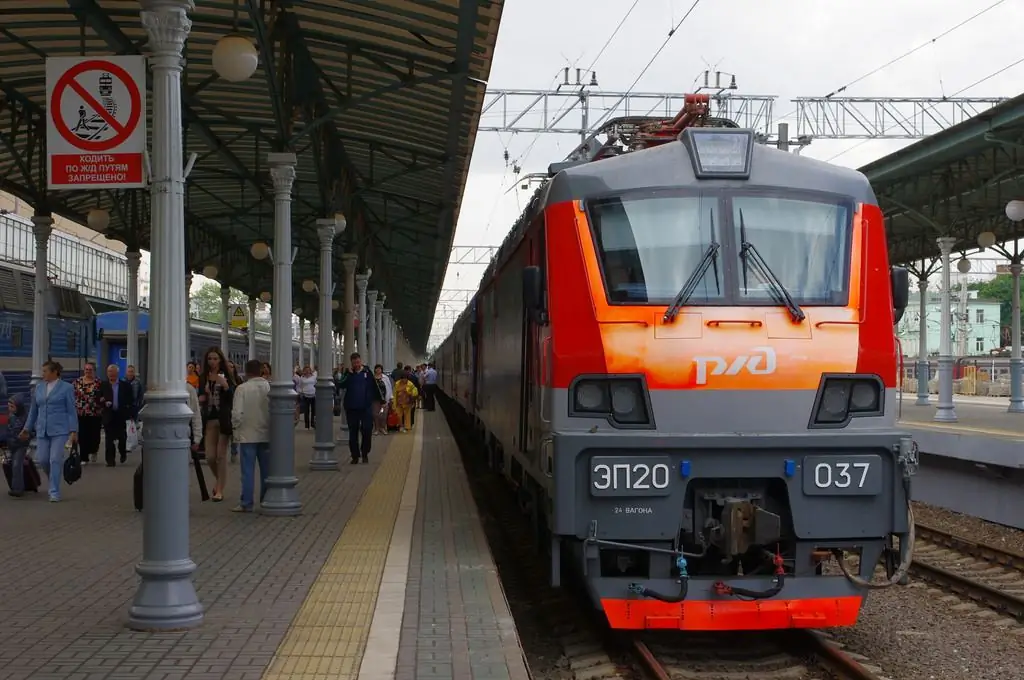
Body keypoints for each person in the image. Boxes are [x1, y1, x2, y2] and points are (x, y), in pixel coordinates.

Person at [21, 361, 78, 502]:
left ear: (54, 372)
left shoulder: (67, 388)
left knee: (54, 460)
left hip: (60, 429)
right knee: (43, 459)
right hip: (42, 429)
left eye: (45, 371)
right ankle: (54, 477)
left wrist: (74, 430)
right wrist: (27, 428)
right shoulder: (38, 388)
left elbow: (71, 411)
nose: (42, 374)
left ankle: (54, 491)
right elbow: (33, 411)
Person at [231, 359, 270, 512]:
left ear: (246, 372)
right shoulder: (269, 387)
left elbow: (237, 413)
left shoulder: (242, 389)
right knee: (266, 470)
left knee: (247, 471)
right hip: (266, 434)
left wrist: (235, 430)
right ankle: (266, 499)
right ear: (261, 370)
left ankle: (247, 502)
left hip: (247, 435)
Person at [198, 346, 236, 502]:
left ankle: (219, 489)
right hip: (210, 419)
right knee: (210, 457)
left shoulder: (227, 375)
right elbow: (200, 395)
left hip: (224, 419)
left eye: (215, 358)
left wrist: (226, 386)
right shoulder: (203, 377)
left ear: (220, 360)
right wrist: (203, 395)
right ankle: (220, 480)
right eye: (210, 359)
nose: (212, 362)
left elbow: (234, 396)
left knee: (221, 456)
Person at [338, 352, 374, 464]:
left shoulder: (367, 372)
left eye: (358, 362)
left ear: (360, 361)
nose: (356, 365)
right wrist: (346, 374)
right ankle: (354, 455)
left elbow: (374, 386)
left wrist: (380, 401)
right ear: (351, 363)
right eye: (354, 363)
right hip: (352, 408)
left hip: (366, 407)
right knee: (353, 432)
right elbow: (340, 384)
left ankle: (365, 453)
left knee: (367, 430)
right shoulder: (348, 374)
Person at [100, 364, 135, 466]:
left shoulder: (125, 386)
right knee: (109, 439)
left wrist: (130, 413)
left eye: (113, 372)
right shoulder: (104, 385)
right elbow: (98, 398)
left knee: (122, 438)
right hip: (109, 415)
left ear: (117, 373)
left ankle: (123, 453)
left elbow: (130, 400)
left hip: (121, 415)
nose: (111, 374)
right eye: (109, 372)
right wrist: (103, 402)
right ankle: (110, 460)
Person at [72, 362, 103, 464]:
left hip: (95, 413)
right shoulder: (77, 382)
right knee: (82, 435)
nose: (88, 371)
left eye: (90, 369)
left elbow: (103, 395)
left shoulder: (99, 383)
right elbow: (72, 395)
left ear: (94, 370)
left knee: (94, 436)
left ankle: (94, 450)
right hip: (81, 412)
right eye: (86, 369)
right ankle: (84, 457)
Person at [5, 393, 30, 498]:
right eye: (9, 406)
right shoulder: (11, 417)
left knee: (16, 465)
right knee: (14, 465)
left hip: (21, 445)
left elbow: (31, 431)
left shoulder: (25, 417)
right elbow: (8, 430)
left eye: (12, 406)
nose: (10, 409)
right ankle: (17, 486)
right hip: (12, 445)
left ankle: (18, 489)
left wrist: (27, 436)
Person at [372, 364, 392, 435]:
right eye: (377, 368)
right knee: (376, 414)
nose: (378, 370)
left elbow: (389, 387)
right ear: (374, 370)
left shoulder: (385, 378)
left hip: (384, 400)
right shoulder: (372, 378)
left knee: (383, 414)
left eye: (380, 369)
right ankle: (376, 428)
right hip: (375, 400)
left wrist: (390, 398)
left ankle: (382, 427)